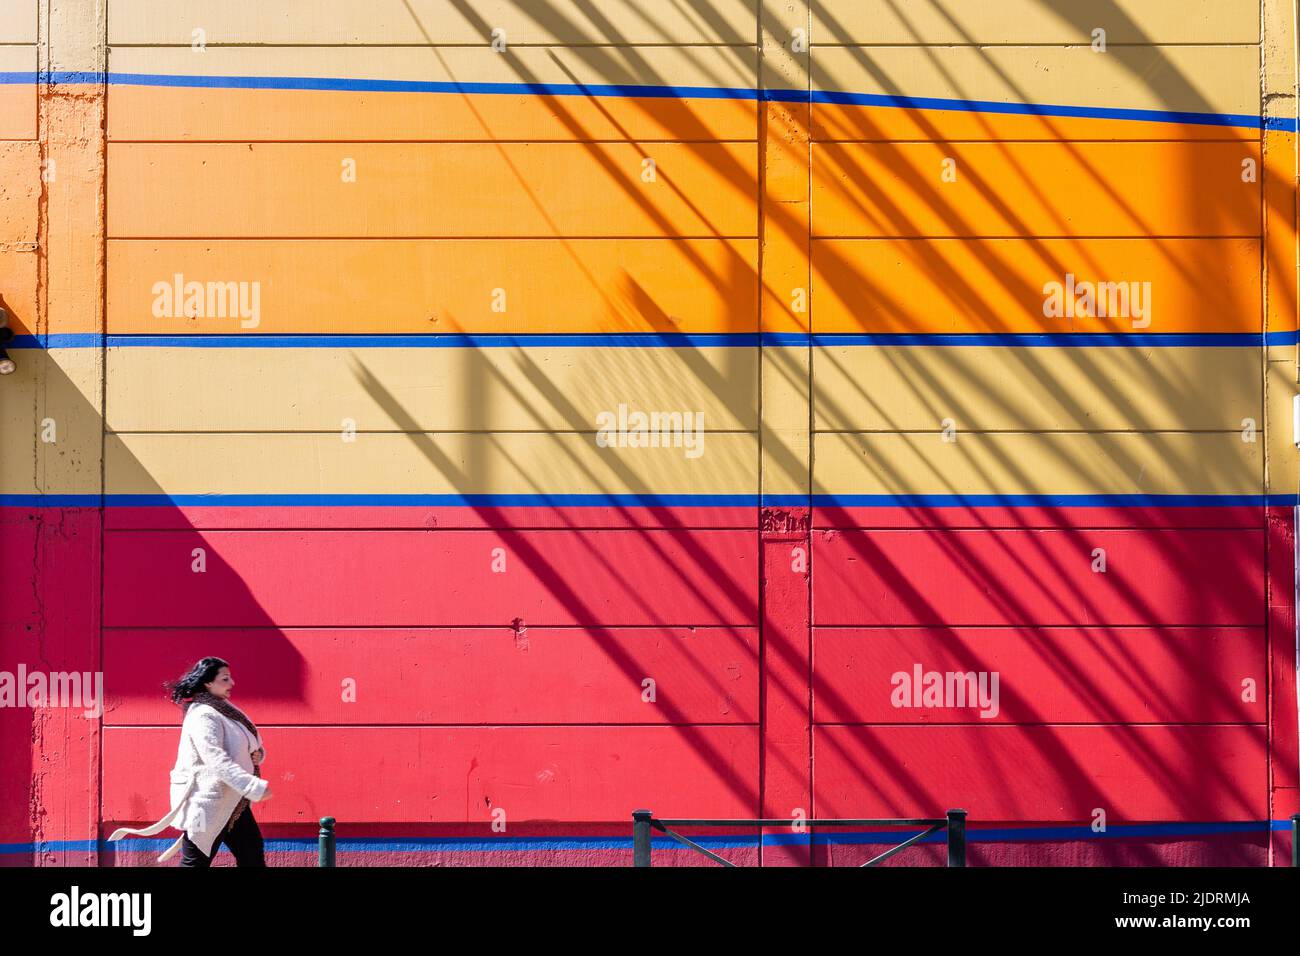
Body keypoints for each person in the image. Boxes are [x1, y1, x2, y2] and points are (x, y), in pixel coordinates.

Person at [108, 657, 273, 866]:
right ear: (208, 683)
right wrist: (252, 786)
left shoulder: (224, 710)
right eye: (225, 678)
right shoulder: (203, 714)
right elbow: (215, 758)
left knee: (251, 855)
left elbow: (247, 742)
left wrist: (258, 754)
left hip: (233, 802)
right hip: (206, 802)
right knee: (195, 862)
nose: (232, 683)